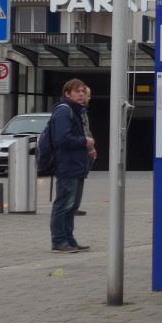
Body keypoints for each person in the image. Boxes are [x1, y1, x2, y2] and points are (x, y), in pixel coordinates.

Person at [49, 78, 96, 253]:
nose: (81, 95)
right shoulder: (63, 112)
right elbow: (61, 139)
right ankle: (58, 241)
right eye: (77, 91)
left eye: (83, 92)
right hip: (67, 164)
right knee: (64, 204)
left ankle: (69, 239)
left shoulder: (76, 111)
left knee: (72, 205)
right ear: (67, 94)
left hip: (77, 164)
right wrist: (85, 141)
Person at [75, 89, 96, 215]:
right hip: (80, 150)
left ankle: (74, 206)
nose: (88, 98)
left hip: (82, 148)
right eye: (88, 95)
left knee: (80, 177)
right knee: (78, 178)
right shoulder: (78, 112)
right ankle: (73, 207)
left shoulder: (81, 111)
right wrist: (91, 148)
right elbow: (85, 131)